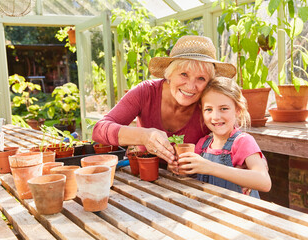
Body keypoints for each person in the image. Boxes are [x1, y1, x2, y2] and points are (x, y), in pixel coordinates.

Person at [92, 35, 236, 164]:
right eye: (184, 74)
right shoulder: (146, 92)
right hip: (145, 179)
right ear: (169, 74)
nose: (191, 86)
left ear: (209, 82)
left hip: (191, 183)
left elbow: (234, 140)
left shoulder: (209, 105)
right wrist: (144, 136)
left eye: (201, 78)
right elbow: (99, 130)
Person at [176, 77, 271, 197]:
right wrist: (177, 168)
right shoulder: (202, 144)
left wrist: (210, 167)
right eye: (209, 109)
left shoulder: (243, 141)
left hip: (238, 213)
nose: (215, 116)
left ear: (237, 110)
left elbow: (264, 182)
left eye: (224, 109)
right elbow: (191, 175)